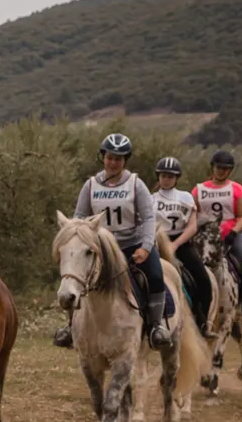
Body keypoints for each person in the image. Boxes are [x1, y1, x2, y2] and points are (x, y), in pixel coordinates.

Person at [54, 133, 168, 350]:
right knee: (74, 274)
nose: (113, 162)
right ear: (103, 158)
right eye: (109, 157)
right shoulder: (90, 185)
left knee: (155, 274)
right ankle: (71, 326)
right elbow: (79, 218)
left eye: (118, 158)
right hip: (100, 249)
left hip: (132, 245)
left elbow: (148, 218)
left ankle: (156, 326)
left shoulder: (136, 184)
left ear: (125, 160)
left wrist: (145, 247)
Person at [152, 156, 212, 336]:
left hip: (181, 241)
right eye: (163, 176)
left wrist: (175, 245)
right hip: (155, 242)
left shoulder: (185, 197)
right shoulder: (150, 198)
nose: (166, 179)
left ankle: (203, 321)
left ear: (176, 178)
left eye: (170, 176)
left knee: (203, 279)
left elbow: (192, 226)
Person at [194, 150, 242, 315]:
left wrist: (234, 232)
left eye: (225, 168)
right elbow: (193, 215)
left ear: (230, 170)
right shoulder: (198, 190)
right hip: (205, 237)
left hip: (231, 235)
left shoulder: (238, 190)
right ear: (212, 167)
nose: (221, 171)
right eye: (218, 167)